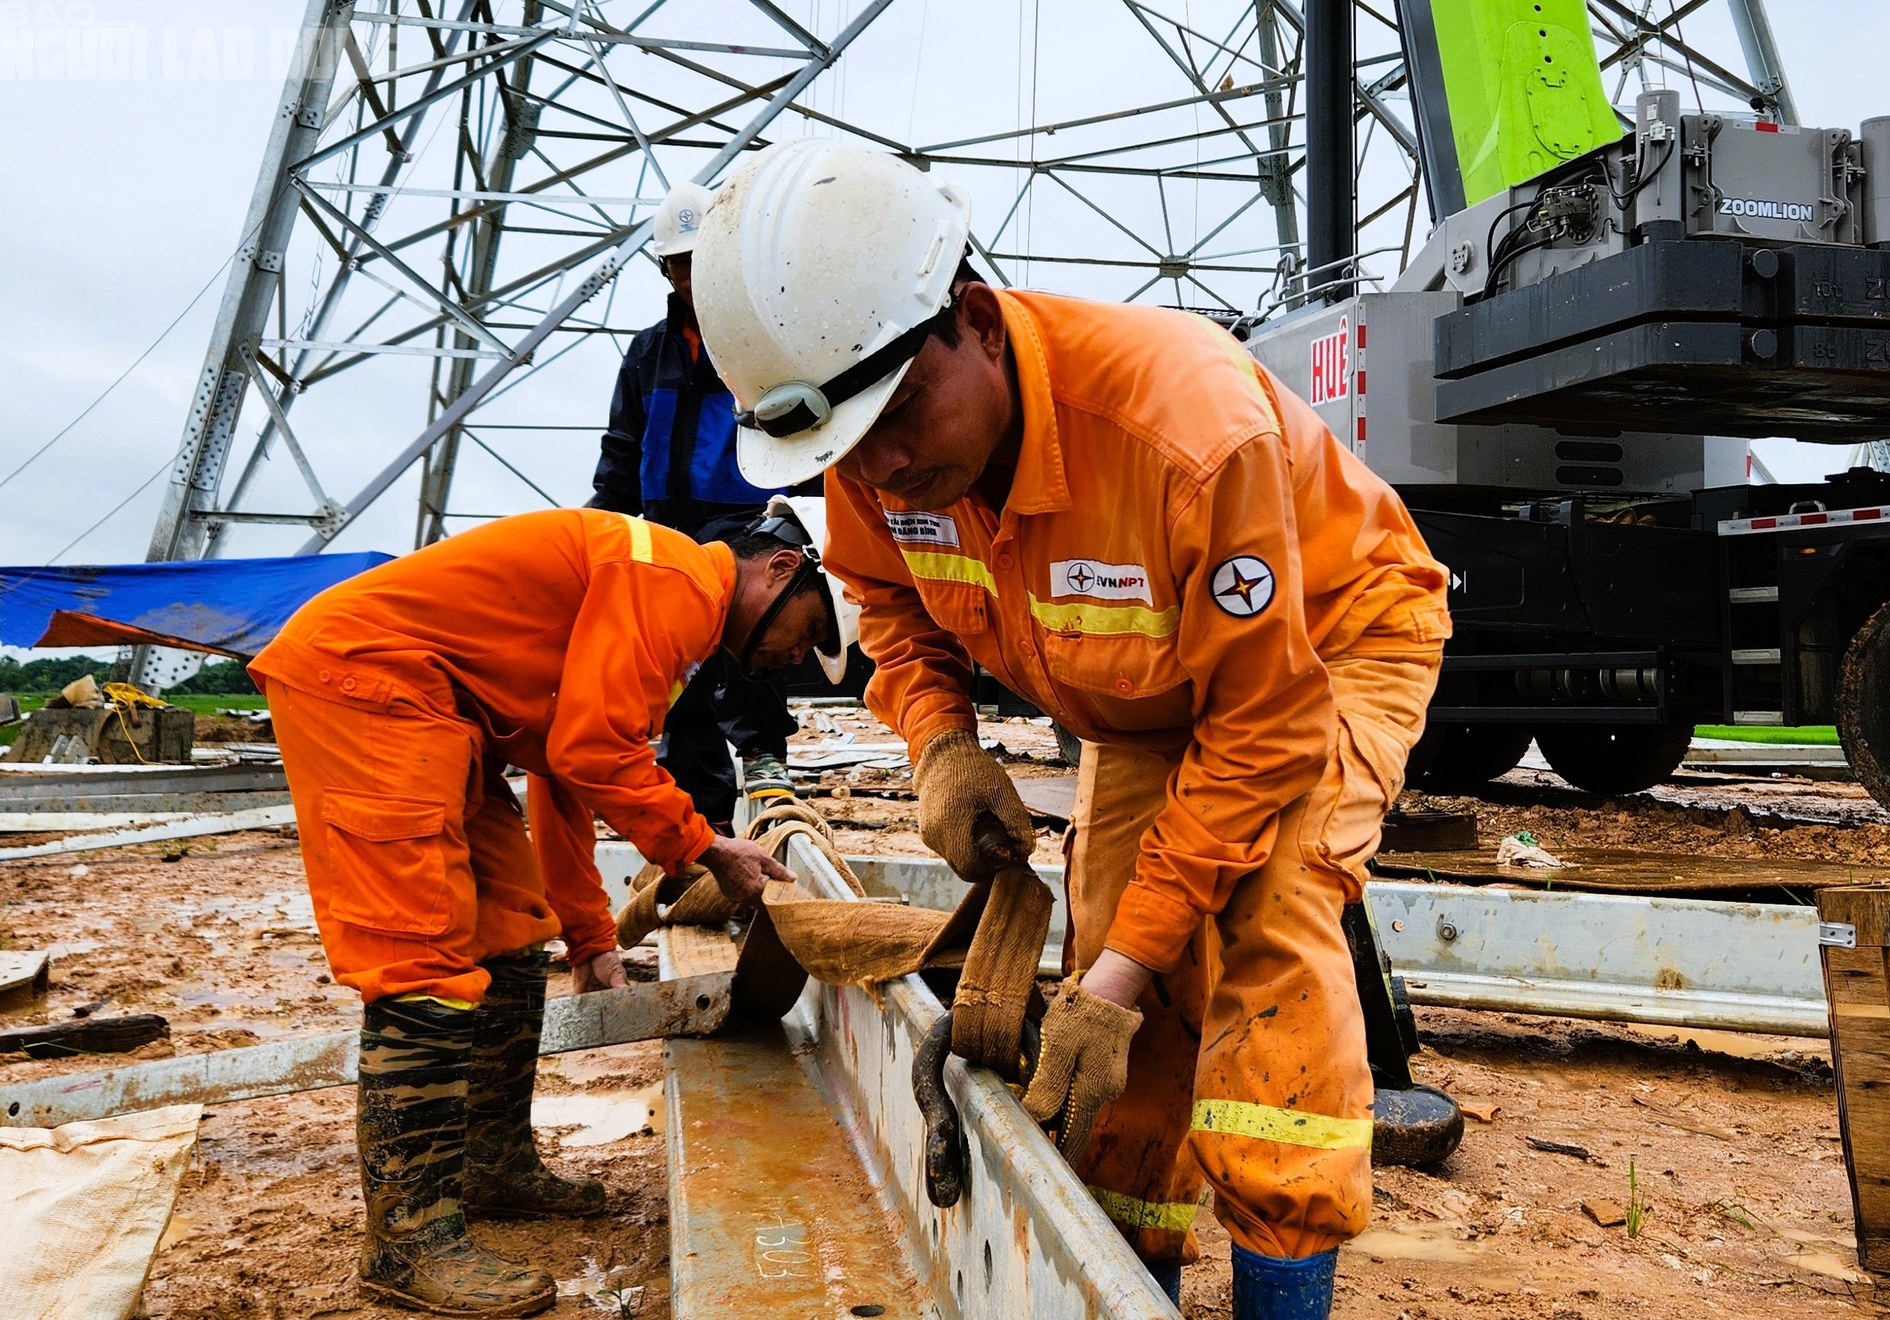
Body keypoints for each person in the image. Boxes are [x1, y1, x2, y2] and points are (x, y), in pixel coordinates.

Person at [697, 140, 1451, 1320]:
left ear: (974, 320)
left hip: (1321, 647)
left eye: (899, 417)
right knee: (1115, 962)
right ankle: (1124, 1275)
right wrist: (942, 741)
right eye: (850, 451)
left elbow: (1260, 726)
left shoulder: (1183, 427)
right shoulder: (866, 449)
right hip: (1148, 696)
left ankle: (1280, 1292)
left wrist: (1123, 970)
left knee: (1265, 932)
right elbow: (889, 604)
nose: (885, 469)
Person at [250, 500, 853, 1316]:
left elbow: (563, 765)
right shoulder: (670, 580)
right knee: (419, 960)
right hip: (371, 684)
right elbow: (594, 751)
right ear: (782, 569)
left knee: (507, 935)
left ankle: (490, 1165)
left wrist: (585, 935)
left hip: (440, 707)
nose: (792, 656)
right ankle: (408, 1240)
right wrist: (704, 847)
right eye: (811, 629)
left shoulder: (669, 608)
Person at [586, 180, 797, 829]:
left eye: (698, 261)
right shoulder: (650, 352)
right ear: (665, 268)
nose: (687, 276)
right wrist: (600, 525)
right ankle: (703, 826)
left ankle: (764, 761)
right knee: (680, 678)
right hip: (667, 528)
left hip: (745, 521)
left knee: (747, 641)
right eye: (677, 264)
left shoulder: (760, 338)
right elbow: (623, 445)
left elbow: (798, 428)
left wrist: (798, 509)